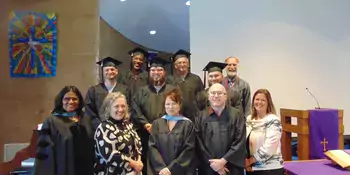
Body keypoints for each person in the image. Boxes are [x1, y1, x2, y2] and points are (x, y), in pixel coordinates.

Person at [33, 86, 94, 175]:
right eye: (67, 99)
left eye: (74, 99)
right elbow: (45, 155)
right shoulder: (52, 122)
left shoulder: (85, 119)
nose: (71, 102)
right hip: (63, 170)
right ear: (61, 101)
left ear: (79, 101)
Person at [132, 56, 177, 175]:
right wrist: (145, 123)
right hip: (146, 135)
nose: (156, 73)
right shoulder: (142, 91)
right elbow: (135, 109)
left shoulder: (173, 90)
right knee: (148, 165)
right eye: (153, 70)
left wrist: (163, 124)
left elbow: (177, 109)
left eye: (159, 70)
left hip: (168, 134)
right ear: (149, 72)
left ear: (164, 72)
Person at [195, 83, 246, 175]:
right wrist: (213, 164)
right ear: (208, 97)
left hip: (231, 166)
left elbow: (240, 141)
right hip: (208, 167)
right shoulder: (200, 116)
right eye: (213, 93)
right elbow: (198, 143)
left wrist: (223, 161)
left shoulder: (237, 115)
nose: (216, 96)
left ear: (225, 96)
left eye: (219, 93)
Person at [147, 88, 196, 175]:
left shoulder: (187, 125)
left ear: (179, 105)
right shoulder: (157, 124)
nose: (170, 107)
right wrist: (162, 169)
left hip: (180, 171)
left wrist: (170, 169)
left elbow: (188, 150)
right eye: (168, 104)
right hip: (160, 172)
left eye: (174, 104)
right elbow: (152, 148)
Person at [94, 92, 143, 175]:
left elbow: (138, 146)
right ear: (108, 108)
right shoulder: (103, 128)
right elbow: (110, 155)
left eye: (123, 106)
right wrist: (134, 164)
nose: (120, 109)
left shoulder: (128, 125)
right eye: (116, 106)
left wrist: (138, 163)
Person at [245, 89, 284, 175]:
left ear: (268, 103)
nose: (259, 102)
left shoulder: (273, 120)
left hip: (270, 168)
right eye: (257, 99)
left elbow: (269, 147)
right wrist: (246, 162)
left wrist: (250, 161)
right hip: (252, 168)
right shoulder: (249, 119)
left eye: (263, 100)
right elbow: (245, 142)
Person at [85, 57, 129, 130]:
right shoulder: (94, 90)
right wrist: (99, 125)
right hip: (99, 127)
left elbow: (129, 108)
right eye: (107, 70)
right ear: (103, 71)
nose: (109, 72)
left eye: (112, 69)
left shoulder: (125, 89)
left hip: (120, 127)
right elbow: (89, 110)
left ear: (117, 71)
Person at [169, 49, 204, 121]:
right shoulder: (169, 80)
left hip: (194, 117)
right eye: (179, 63)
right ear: (175, 66)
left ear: (188, 64)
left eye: (184, 62)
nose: (182, 65)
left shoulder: (196, 79)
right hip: (176, 117)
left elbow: (202, 97)